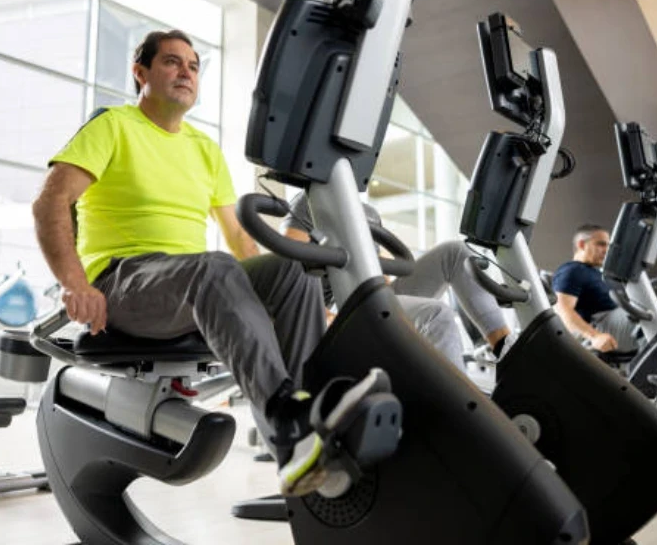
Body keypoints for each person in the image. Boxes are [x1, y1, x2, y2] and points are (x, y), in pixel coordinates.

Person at [31, 29, 391, 498]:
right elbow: (50, 202)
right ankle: (287, 423)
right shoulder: (113, 126)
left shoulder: (205, 149)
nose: (186, 72)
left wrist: (283, 292)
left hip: (190, 285)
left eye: (194, 66)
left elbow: (242, 242)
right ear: (140, 73)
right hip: (123, 281)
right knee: (213, 267)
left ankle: (308, 431)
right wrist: (74, 282)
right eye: (172, 62)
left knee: (291, 273)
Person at [282, 193, 515, 372]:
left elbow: (379, 274)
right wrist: (323, 315)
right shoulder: (310, 200)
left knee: (455, 252)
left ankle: (506, 353)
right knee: (436, 314)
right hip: (332, 316)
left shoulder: (368, 212)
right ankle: (462, 414)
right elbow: (288, 276)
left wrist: (395, 309)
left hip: (370, 301)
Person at [551, 225, 632, 353]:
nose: (606, 250)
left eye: (608, 246)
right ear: (582, 244)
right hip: (598, 328)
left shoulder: (598, 274)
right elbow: (561, 309)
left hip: (614, 322)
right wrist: (595, 336)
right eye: (601, 244)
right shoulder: (572, 270)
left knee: (650, 310)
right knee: (643, 317)